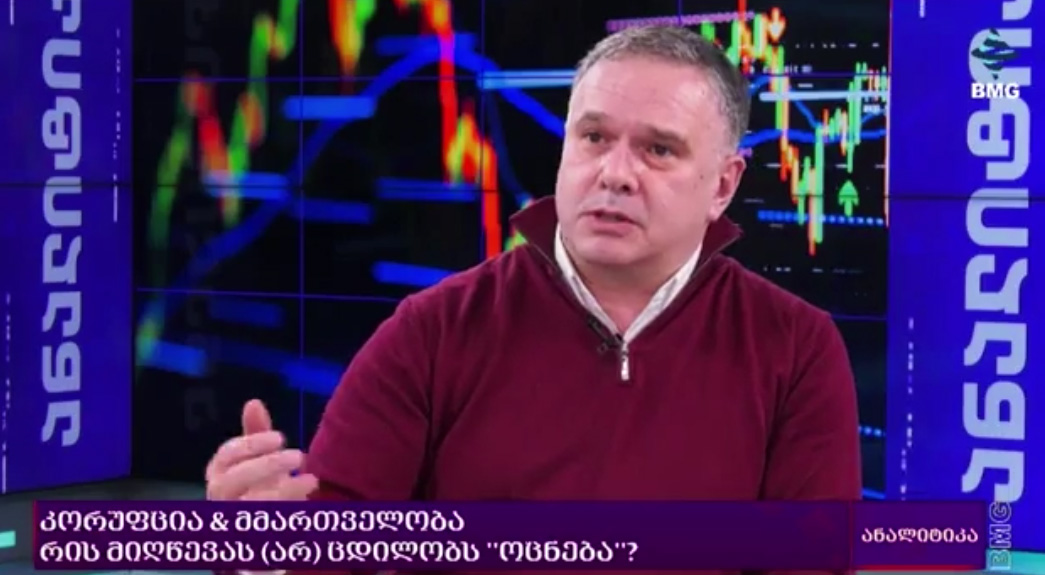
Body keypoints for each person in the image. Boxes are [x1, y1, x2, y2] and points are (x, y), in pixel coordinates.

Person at [206, 24, 861, 572]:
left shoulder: (794, 347)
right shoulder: (434, 331)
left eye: (658, 149)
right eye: (594, 137)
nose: (614, 173)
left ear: (722, 185)